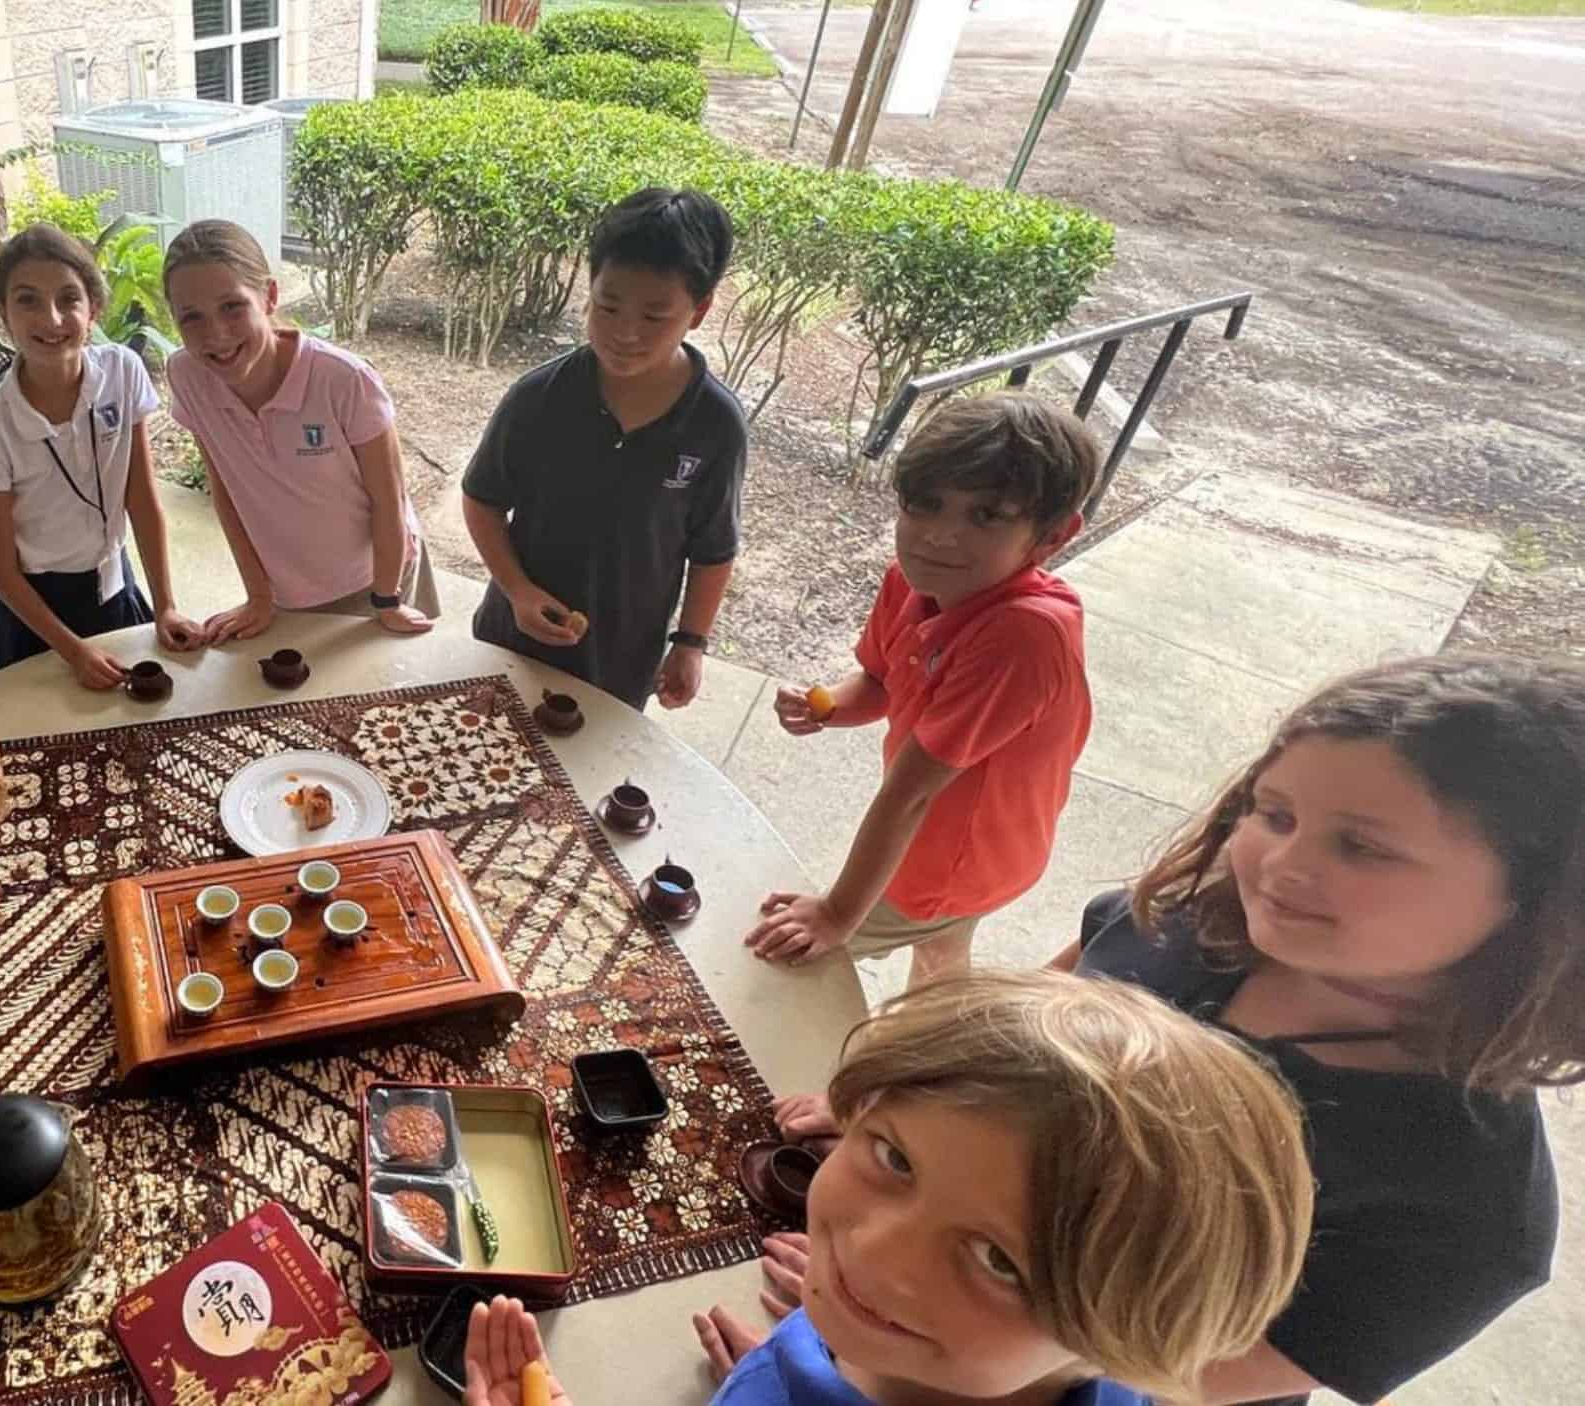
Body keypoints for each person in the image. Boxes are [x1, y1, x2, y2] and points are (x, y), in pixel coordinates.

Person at [765, 655, 1577, 1406]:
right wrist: (914, 1121)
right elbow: (1022, 1036)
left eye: (1361, 846)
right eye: (1276, 812)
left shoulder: (1470, 1212)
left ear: (1536, 905)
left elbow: (1175, 1372)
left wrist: (859, 1360)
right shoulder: (1184, 918)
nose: (1282, 864)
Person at [463, 972, 1314, 1406]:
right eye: (897, 1160)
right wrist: (797, 1362)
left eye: (998, 1259)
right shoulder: (957, 1351)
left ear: (1128, 1337)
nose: (873, 1252)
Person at [749, 394, 1098, 990]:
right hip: (987, 849)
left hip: (953, 861)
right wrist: (827, 705)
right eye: (924, 505)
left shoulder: (1023, 634)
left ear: (1053, 537)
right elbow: (883, 682)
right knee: (940, 962)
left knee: (779, 965)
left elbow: (908, 795)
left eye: (985, 516)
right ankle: (933, 1036)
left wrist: (835, 914)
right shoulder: (910, 582)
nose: (938, 537)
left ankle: (901, 1067)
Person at [461, 187, 745, 712]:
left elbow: (713, 549)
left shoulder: (715, 425)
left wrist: (690, 643)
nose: (624, 333)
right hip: (512, 639)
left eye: (655, 316)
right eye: (607, 306)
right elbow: (482, 499)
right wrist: (517, 591)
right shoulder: (539, 398)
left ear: (699, 310)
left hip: (620, 660)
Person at [162, 218, 438, 640]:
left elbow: (389, 500)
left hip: (379, 581)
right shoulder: (186, 375)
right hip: (287, 592)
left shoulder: (344, 380)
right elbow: (225, 489)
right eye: (191, 317)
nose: (215, 334)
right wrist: (258, 595)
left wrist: (387, 600)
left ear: (269, 296)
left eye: (232, 307)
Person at [0, 223, 203, 684]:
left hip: (115, 584)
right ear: (3, 311)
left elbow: (143, 501)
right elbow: (1, 572)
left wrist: (166, 605)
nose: (51, 320)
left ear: (93, 308)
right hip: (33, 614)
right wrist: (74, 653)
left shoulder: (122, 372)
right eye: (27, 299)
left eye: (68, 299)